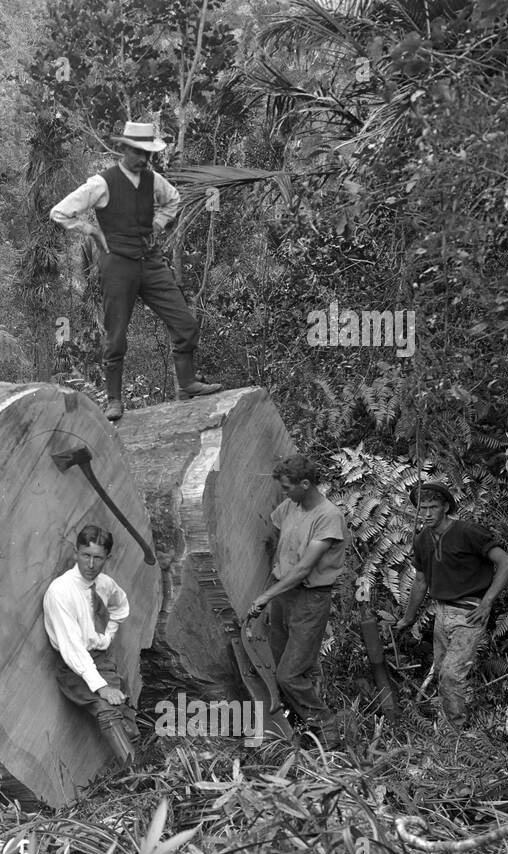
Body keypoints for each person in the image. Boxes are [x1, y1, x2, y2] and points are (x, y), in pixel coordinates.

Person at [50, 120, 223, 421]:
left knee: (184, 323)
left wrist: (157, 224)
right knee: (116, 335)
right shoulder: (102, 183)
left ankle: (187, 384)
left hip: (150, 260)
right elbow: (60, 212)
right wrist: (90, 229)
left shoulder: (153, 180)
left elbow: (174, 200)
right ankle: (114, 400)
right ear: (123, 149)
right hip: (116, 262)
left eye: (148, 154)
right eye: (139, 153)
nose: (144, 159)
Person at [386, 482, 508, 732]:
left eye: (433, 507)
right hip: (441, 612)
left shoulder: (468, 532)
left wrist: (487, 602)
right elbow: (421, 580)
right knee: (444, 675)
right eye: (421, 508)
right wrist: (407, 618)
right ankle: (448, 729)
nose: (426, 513)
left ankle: (455, 733)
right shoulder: (422, 539)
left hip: (469, 611)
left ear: (445, 507)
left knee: (451, 673)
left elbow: (507, 563)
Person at [246, 455, 345, 749]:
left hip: (310, 599)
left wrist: (265, 596)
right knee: (285, 667)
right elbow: (280, 544)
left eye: (288, 487)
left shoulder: (328, 516)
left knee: (290, 674)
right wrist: (272, 584)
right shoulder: (291, 505)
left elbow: (303, 568)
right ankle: (304, 728)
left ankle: (327, 727)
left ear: (306, 483)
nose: (284, 492)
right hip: (284, 595)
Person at [43, 525, 139, 764]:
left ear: (108, 557)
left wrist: (108, 635)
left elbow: (121, 607)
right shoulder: (61, 591)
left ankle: (145, 765)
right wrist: (100, 687)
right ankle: (137, 774)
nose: (91, 564)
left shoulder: (104, 584)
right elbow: (72, 647)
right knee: (107, 709)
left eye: (98, 558)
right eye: (86, 555)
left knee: (124, 708)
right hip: (74, 666)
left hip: (101, 659)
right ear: (76, 553)